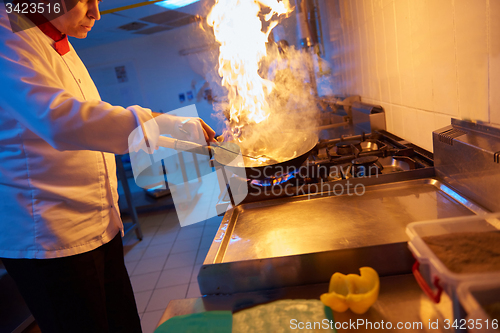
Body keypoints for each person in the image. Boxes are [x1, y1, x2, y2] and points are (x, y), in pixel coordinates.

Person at [0, 0, 215, 332]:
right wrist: (164, 124)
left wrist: (169, 132)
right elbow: (60, 120)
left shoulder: (57, 40)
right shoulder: (6, 34)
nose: (96, 12)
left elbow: (93, 113)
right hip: (51, 238)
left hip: (99, 225)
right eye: (86, 0)